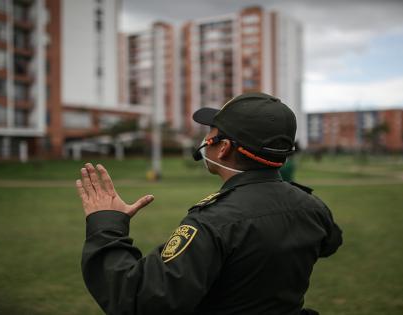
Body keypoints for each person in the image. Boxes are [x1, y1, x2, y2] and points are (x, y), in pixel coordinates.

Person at [77, 92, 343, 315]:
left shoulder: (212, 222)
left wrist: (107, 224)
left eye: (211, 133)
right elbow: (331, 243)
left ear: (223, 147)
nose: (204, 140)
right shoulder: (312, 206)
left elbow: (138, 299)